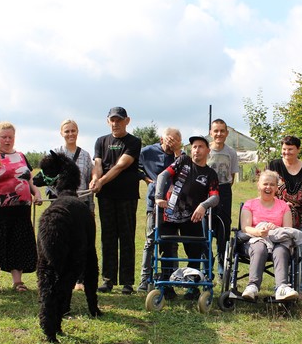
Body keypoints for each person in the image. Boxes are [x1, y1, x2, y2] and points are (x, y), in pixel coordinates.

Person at [0, 121, 42, 294]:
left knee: (18, 244)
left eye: (10, 137)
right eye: (3, 137)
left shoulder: (21, 156)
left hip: (21, 210)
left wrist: (36, 192)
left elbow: (29, 178)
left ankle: (18, 281)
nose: (7, 140)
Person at [155, 136, 220, 300]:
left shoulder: (210, 174)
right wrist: (158, 197)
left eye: (200, 146)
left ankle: (192, 286)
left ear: (208, 151)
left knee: (195, 251)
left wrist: (203, 205)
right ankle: (166, 285)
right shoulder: (183, 161)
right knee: (167, 249)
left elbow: (215, 197)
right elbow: (163, 176)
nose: (196, 150)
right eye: (194, 147)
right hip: (169, 213)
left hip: (192, 217)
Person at [90, 107, 142, 295]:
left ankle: (127, 282)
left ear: (127, 121)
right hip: (106, 196)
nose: (115, 123)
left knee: (127, 237)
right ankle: (108, 279)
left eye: (119, 120)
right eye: (112, 120)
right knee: (108, 237)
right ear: (108, 121)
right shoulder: (101, 141)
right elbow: (98, 164)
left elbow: (121, 165)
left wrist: (101, 181)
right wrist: (95, 178)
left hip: (127, 196)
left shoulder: (134, 142)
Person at [266, 135, 302, 297]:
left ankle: (299, 289)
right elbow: (266, 189)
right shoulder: (274, 165)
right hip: (278, 217)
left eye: (290, 149)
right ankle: (282, 286)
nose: (286, 152)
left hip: (301, 217)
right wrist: (280, 205)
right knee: (282, 252)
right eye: (284, 149)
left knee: (301, 254)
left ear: (298, 150)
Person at [240, 170, 300, 302]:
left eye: (272, 184)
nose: (268, 187)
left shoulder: (283, 206)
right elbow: (245, 228)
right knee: (259, 247)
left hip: (277, 240)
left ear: (277, 188)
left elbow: (288, 230)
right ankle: (252, 286)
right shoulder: (250, 204)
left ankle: (282, 287)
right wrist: (259, 232)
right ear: (259, 185)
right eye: (265, 184)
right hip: (255, 240)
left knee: (281, 250)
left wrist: (276, 228)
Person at [137, 127, 183, 292]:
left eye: (175, 140)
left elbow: (185, 172)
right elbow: (132, 164)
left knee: (171, 243)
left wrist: (177, 152)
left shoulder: (181, 156)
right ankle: (144, 280)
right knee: (151, 241)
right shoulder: (148, 152)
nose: (171, 143)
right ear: (161, 139)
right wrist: (145, 178)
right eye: (169, 139)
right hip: (154, 203)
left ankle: (170, 278)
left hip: (174, 205)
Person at [54, 119, 94, 292]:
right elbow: (49, 181)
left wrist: (90, 208)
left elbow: (89, 180)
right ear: (61, 133)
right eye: (67, 131)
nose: (70, 134)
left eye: (73, 130)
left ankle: (80, 279)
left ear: (77, 132)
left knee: (80, 243)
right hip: (61, 206)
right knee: (62, 242)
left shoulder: (85, 155)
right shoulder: (55, 154)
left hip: (81, 205)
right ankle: (61, 277)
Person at [207, 118, 239, 277]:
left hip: (224, 191)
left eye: (222, 131)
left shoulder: (231, 152)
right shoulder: (206, 150)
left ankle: (222, 264)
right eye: (216, 131)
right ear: (210, 133)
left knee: (223, 229)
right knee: (205, 228)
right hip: (206, 192)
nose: (219, 134)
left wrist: (222, 190)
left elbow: (232, 176)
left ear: (226, 133)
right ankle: (207, 265)